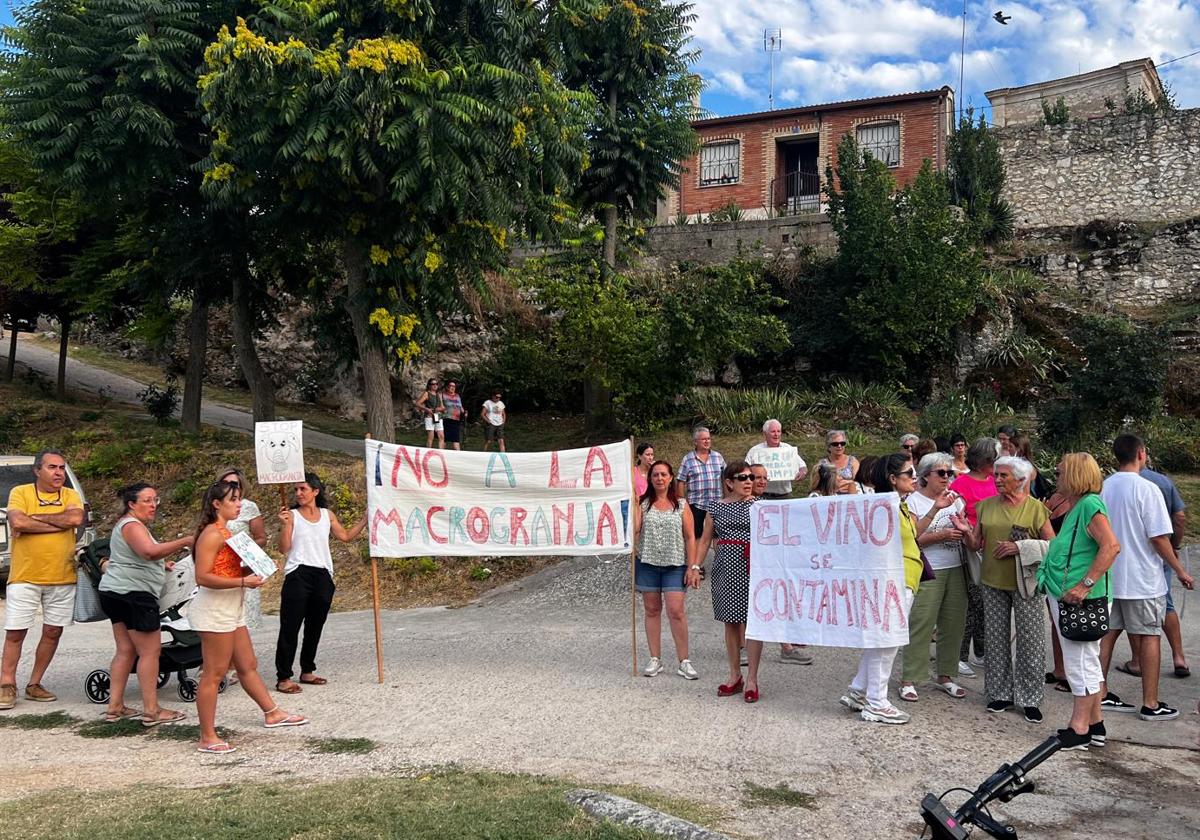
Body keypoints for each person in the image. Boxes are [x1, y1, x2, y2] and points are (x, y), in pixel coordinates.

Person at [191, 480, 307, 754]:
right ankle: (207, 735)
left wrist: (257, 570)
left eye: (239, 498)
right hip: (214, 610)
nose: (238, 504)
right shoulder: (212, 534)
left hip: (232, 606)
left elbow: (229, 570)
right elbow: (203, 576)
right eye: (232, 499)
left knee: (247, 663)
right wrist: (243, 582)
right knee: (214, 673)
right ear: (216, 504)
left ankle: (272, 712)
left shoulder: (228, 531)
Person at [1097, 435, 1195, 721]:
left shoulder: (1104, 487)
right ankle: (1150, 703)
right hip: (1142, 578)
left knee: (1107, 634)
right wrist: (1179, 569)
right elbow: (1158, 538)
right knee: (1150, 636)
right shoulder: (1147, 489)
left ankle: (1100, 692)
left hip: (1110, 575)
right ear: (1141, 454)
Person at [951, 456, 1055, 723]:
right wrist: (965, 531)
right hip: (993, 581)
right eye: (996, 475)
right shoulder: (985, 507)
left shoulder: (1035, 509)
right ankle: (999, 694)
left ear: (1021, 480)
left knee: (1031, 641)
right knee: (995, 640)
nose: (997, 480)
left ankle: (1030, 698)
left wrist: (1020, 548)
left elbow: (1053, 546)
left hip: (1027, 583)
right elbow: (976, 544)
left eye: (1003, 476)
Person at [1036, 453, 1121, 750]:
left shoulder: (1088, 505)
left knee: (1079, 663)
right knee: (1086, 661)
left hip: (1080, 600)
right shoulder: (1078, 506)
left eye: (1060, 472)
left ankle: (1079, 727)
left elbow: (1111, 546)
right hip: (1072, 597)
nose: (1055, 476)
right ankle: (1095, 724)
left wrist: (1084, 586)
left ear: (1074, 476)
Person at [98, 482, 192, 726]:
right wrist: (185, 541)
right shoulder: (131, 525)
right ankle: (152, 710)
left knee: (125, 650)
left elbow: (138, 557)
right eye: (147, 501)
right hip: (134, 595)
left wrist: (163, 564)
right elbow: (148, 552)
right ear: (132, 504)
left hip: (114, 592)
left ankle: (114, 706)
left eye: (156, 500)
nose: (153, 506)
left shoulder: (127, 525)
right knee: (150, 652)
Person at [840, 453, 924, 724]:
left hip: (903, 578)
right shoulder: (884, 506)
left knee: (883, 638)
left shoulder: (895, 505)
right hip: (894, 581)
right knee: (886, 641)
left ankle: (858, 690)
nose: (914, 478)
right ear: (892, 479)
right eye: (909, 474)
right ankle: (877, 701)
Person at [0, 450, 84, 711]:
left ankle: (34, 683)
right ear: (38, 470)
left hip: (62, 576)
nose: (59, 472)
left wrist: (33, 519)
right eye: (52, 467)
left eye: (62, 467)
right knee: (16, 632)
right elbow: (17, 520)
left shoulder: (70, 495)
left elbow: (75, 519)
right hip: (25, 575)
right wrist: (57, 523)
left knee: (53, 631)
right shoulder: (20, 492)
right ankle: (6, 684)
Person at [275, 473, 366, 694]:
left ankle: (307, 669)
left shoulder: (327, 515)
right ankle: (284, 676)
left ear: (315, 491)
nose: (298, 493)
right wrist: (286, 526)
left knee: (315, 626)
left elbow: (344, 536)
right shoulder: (292, 516)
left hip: (323, 574)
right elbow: (283, 548)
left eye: (303, 489)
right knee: (290, 627)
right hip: (298, 573)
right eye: (296, 489)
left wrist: (365, 519)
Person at [899, 454, 968, 702]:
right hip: (928, 569)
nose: (947, 478)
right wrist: (940, 536)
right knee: (921, 622)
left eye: (950, 473)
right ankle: (910, 678)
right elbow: (911, 538)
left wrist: (965, 531)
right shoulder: (913, 501)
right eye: (941, 473)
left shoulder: (955, 501)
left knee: (953, 624)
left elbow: (966, 530)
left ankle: (946, 676)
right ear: (926, 475)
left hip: (957, 566)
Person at [693, 461, 760, 701]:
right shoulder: (715, 508)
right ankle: (735, 675)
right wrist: (695, 566)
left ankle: (752, 678)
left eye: (751, 477)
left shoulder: (760, 507)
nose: (749, 482)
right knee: (730, 622)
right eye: (743, 478)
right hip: (726, 568)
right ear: (729, 482)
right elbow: (704, 540)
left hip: (754, 568)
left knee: (754, 623)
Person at [634, 461, 699, 680]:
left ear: (671, 477)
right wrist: (634, 500)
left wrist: (693, 566)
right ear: (650, 479)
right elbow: (634, 528)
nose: (659, 478)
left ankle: (684, 660)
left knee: (676, 611)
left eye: (663, 474)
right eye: (655, 475)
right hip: (648, 563)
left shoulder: (681, 504)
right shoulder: (643, 504)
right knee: (652, 610)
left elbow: (690, 537)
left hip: (675, 563)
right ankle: (655, 658)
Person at [1130, 456, 1189, 678]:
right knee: (1167, 604)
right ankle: (1179, 656)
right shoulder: (1162, 481)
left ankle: (1137, 660)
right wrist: (1175, 545)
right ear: (1141, 454)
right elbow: (1180, 517)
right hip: (1162, 550)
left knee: (1131, 607)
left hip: (1131, 554)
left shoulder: (1112, 482)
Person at [950, 437, 1002, 677]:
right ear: (985, 461)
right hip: (969, 548)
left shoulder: (995, 481)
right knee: (971, 603)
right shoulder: (961, 483)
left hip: (991, 549)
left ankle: (980, 652)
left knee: (986, 602)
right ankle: (959, 655)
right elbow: (954, 513)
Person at [217, 468, 267, 634]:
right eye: (226, 483)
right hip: (219, 565)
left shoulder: (248, 507)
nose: (231, 487)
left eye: (234, 484)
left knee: (243, 620)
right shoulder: (214, 507)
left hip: (242, 562)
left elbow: (261, 537)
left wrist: (247, 550)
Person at [676, 426, 726, 541]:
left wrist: (727, 497)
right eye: (703, 439)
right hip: (696, 503)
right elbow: (681, 481)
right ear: (695, 442)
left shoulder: (718, 457)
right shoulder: (688, 459)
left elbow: (725, 478)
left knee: (717, 536)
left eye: (708, 438)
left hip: (716, 502)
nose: (707, 441)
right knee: (695, 536)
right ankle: (695, 559)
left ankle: (717, 558)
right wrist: (682, 503)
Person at [745, 419, 807, 500]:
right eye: (773, 431)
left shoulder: (787, 449)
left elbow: (803, 466)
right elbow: (745, 469)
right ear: (765, 434)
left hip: (784, 496)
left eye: (778, 431)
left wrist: (802, 472)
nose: (776, 434)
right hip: (761, 495)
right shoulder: (755, 451)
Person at [816, 430, 859, 495]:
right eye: (835, 444)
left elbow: (858, 482)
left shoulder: (852, 461)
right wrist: (847, 483)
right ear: (829, 446)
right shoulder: (823, 464)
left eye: (842, 443)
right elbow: (818, 484)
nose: (839, 446)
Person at [1011, 433, 1051, 500]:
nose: (1007, 449)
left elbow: (1025, 493)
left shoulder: (1024, 467)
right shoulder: (1021, 464)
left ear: (1018, 449)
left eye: (1010, 446)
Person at [415, 378, 445, 449]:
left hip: (438, 416)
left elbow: (442, 407)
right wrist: (426, 409)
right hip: (430, 416)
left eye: (436, 384)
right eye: (433, 384)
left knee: (441, 436)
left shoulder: (439, 395)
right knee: (431, 436)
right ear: (429, 385)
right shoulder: (427, 393)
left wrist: (439, 409)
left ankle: (441, 453)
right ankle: (428, 452)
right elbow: (418, 403)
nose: (435, 385)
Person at [441, 380, 468, 450]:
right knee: (444, 439)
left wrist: (464, 412)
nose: (453, 388)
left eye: (454, 386)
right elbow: (440, 406)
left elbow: (460, 407)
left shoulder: (457, 396)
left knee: (456, 439)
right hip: (446, 418)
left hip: (456, 419)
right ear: (447, 387)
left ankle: (458, 455)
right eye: (451, 386)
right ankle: (441, 454)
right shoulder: (443, 395)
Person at [481, 388, 506, 452]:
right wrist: (488, 421)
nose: (498, 398)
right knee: (488, 441)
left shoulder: (501, 403)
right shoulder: (487, 402)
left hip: (500, 423)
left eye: (499, 397)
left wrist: (503, 421)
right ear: (493, 395)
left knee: (501, 440)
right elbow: (482, 414)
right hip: (491, 424)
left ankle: (503, 456)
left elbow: (503, 413)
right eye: (497, 397)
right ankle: (483, 454)